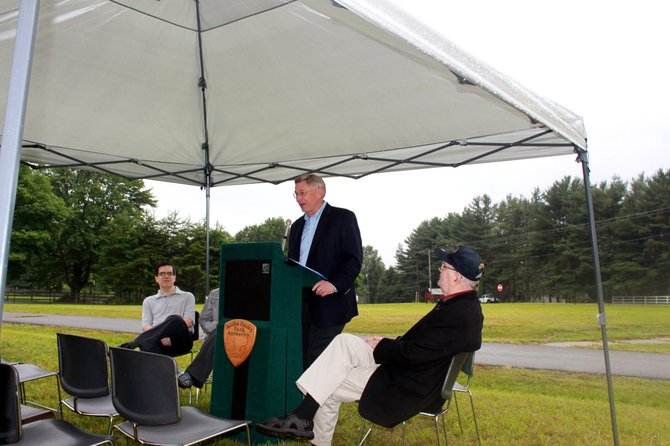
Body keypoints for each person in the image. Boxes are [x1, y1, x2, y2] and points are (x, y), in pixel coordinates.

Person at [256, 245, 485, 445]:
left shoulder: (461, 314)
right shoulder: (458, 306)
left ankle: (303, 419)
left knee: (328, 383)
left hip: (407, 384)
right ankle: (302, 418)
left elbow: (416, 354)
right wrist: (383, 343)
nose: (440, 270)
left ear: (456, 277)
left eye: (444, 267)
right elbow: (425, 347)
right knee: (344, 342)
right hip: (404, 369)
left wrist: (382, 347)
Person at [288, 173, 363, 370]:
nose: (298, 199)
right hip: (301, 305)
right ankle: (305, 401)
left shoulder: (343, 218)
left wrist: (334, 284)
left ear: (319, 191)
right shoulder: (296, 227)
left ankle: (319, 401)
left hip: (331, 305)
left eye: (302, 193)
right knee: (301, 360)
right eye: (295, 194)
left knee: (318, 362)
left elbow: (353, 259)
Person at [119, 262, 196, 357]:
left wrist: (163, 335)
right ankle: (160, 371)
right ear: (156, 278)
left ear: (174, 277)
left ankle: (136, 342)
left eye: (169, 273)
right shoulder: (149, 301)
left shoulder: (187, 296)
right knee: (147, 345)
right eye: (162, 274)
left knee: (175, 319)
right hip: (156, 341)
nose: (166, 276)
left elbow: (188, 321)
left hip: (180, 341)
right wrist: (160, 337)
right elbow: (146, 325)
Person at [178, 288, 219, 389]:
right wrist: (217, 328)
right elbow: (204, 320)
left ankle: (192, 375)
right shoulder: (216, 294)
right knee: (221, 330)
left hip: (246, 335)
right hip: (218, 337)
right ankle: (193, 375)